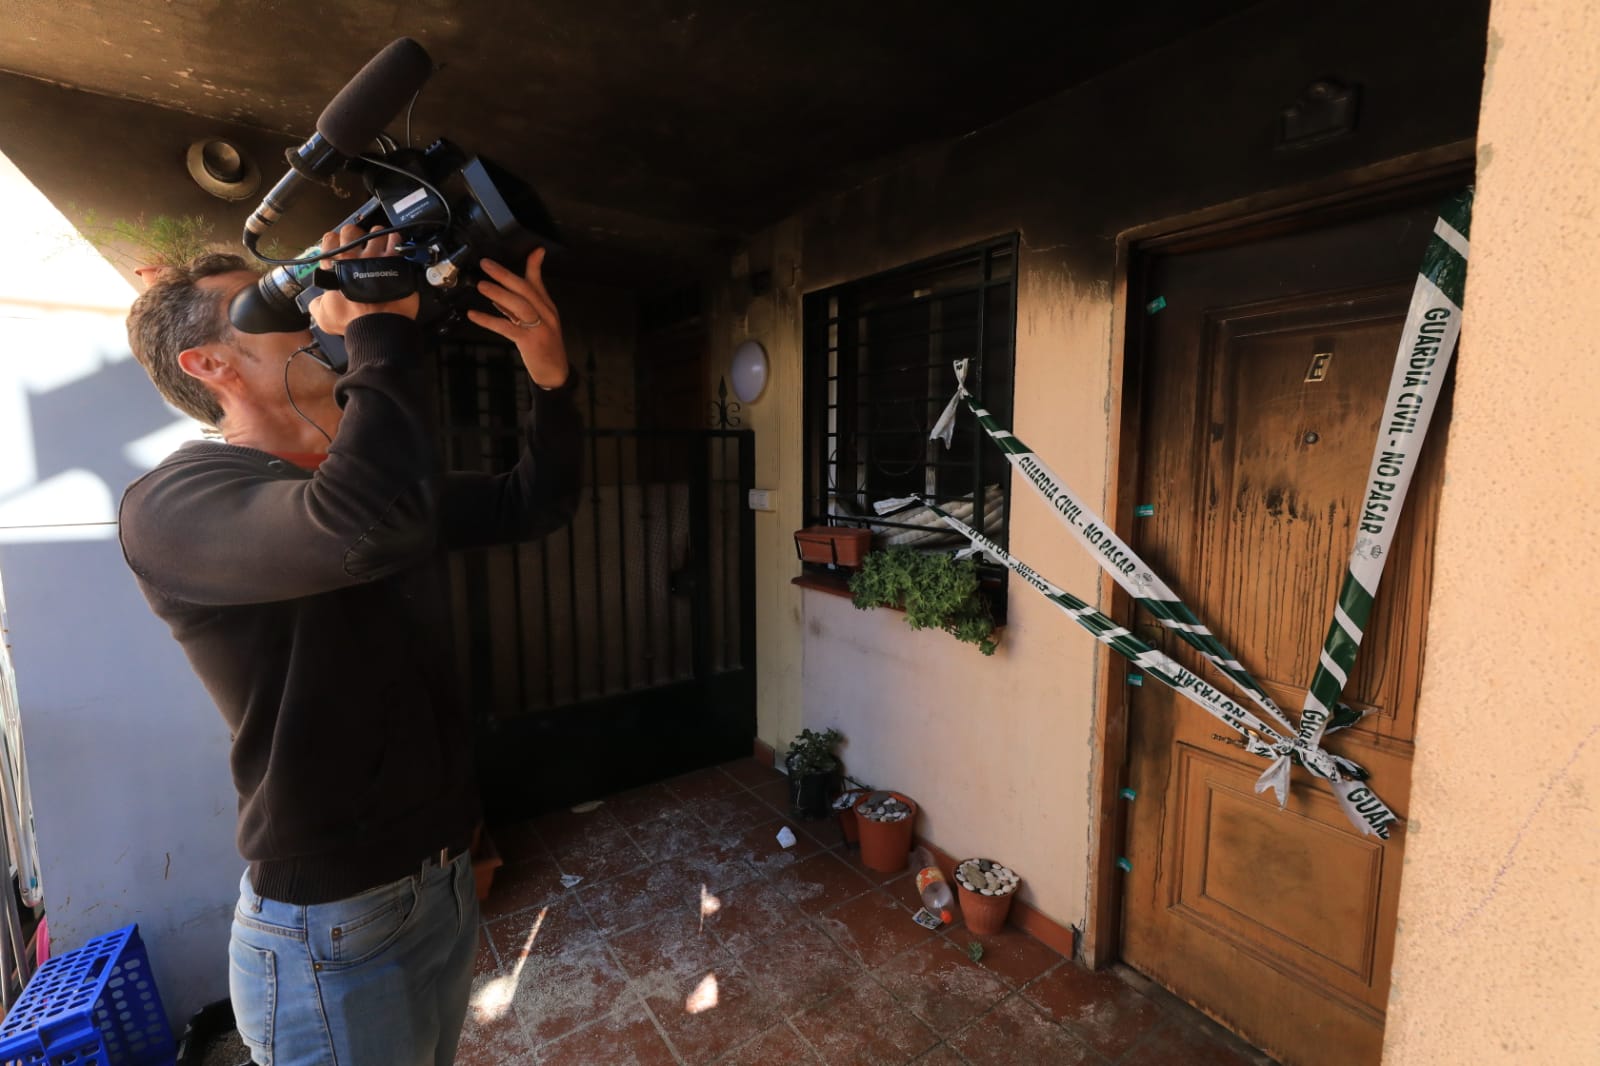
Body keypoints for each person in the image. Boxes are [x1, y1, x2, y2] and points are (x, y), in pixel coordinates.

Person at [118, 224, 583, 1065]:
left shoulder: (369, 490)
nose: (304, 310)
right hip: (326, 924)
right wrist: (376, 330)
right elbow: (358, 529)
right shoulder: (174, 503)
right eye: (265, 304)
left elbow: (531, 504)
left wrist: (550, 378)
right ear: (209, 365)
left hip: (440, 879)